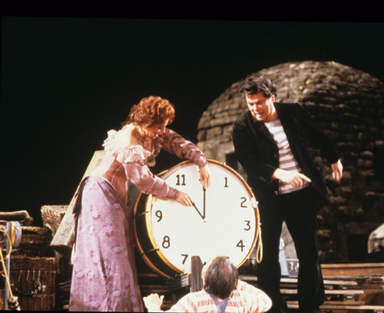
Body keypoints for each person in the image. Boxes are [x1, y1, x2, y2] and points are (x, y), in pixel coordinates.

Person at [68, 96, 211, 311]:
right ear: (145, 123)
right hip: (100, 196)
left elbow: (176, 142)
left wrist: (201, 162)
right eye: (158, 127)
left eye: (163, 126)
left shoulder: (152, 132)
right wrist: (174, 193)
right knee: (108, 259)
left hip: (115, 197)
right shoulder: (130, 138)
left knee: (120, 257)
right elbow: (141, 179)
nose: (161, 131)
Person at [232, 74, 343, 313]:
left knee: (308, 252)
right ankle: (272, 307)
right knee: (268, 254)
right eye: (250, 104)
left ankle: (309, 306)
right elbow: (249, 163)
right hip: (267, 197)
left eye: (259, 102)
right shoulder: (242, 126)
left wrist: (334, 157)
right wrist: (280, 174)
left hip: (300, 195)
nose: (255, 109)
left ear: (272, 97)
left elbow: (316, 134)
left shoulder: (292, 112)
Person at [143, 256, 272, 312]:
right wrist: (236, 283)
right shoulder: (241, 299)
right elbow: (266, 301)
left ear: (205, 278)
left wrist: (153, 306)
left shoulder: (194, 300)